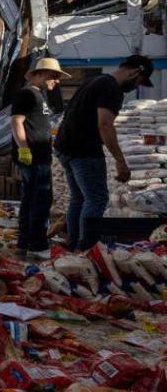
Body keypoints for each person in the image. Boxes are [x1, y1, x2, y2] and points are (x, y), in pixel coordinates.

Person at [54, 54, 154, 251]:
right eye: (140, 81)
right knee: (96, 199)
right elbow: (105, 124)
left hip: (65, 147)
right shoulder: (111, 89)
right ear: (135, 72)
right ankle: (86, 249)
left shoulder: (93, 81)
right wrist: (120, 160)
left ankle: (73, 244)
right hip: (84, 151)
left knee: (79, 198)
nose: (137, 86)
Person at [10, 57, 70, 258]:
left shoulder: (38, 96)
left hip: (39, 156)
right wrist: (23, 149)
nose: (57, 80)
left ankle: (25, 243)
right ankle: (37, 245)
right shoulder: (27, 94)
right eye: (54, 76)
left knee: (31, 200)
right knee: (40, 200)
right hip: (33, 156)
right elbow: (17, 123)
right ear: (40, 74)